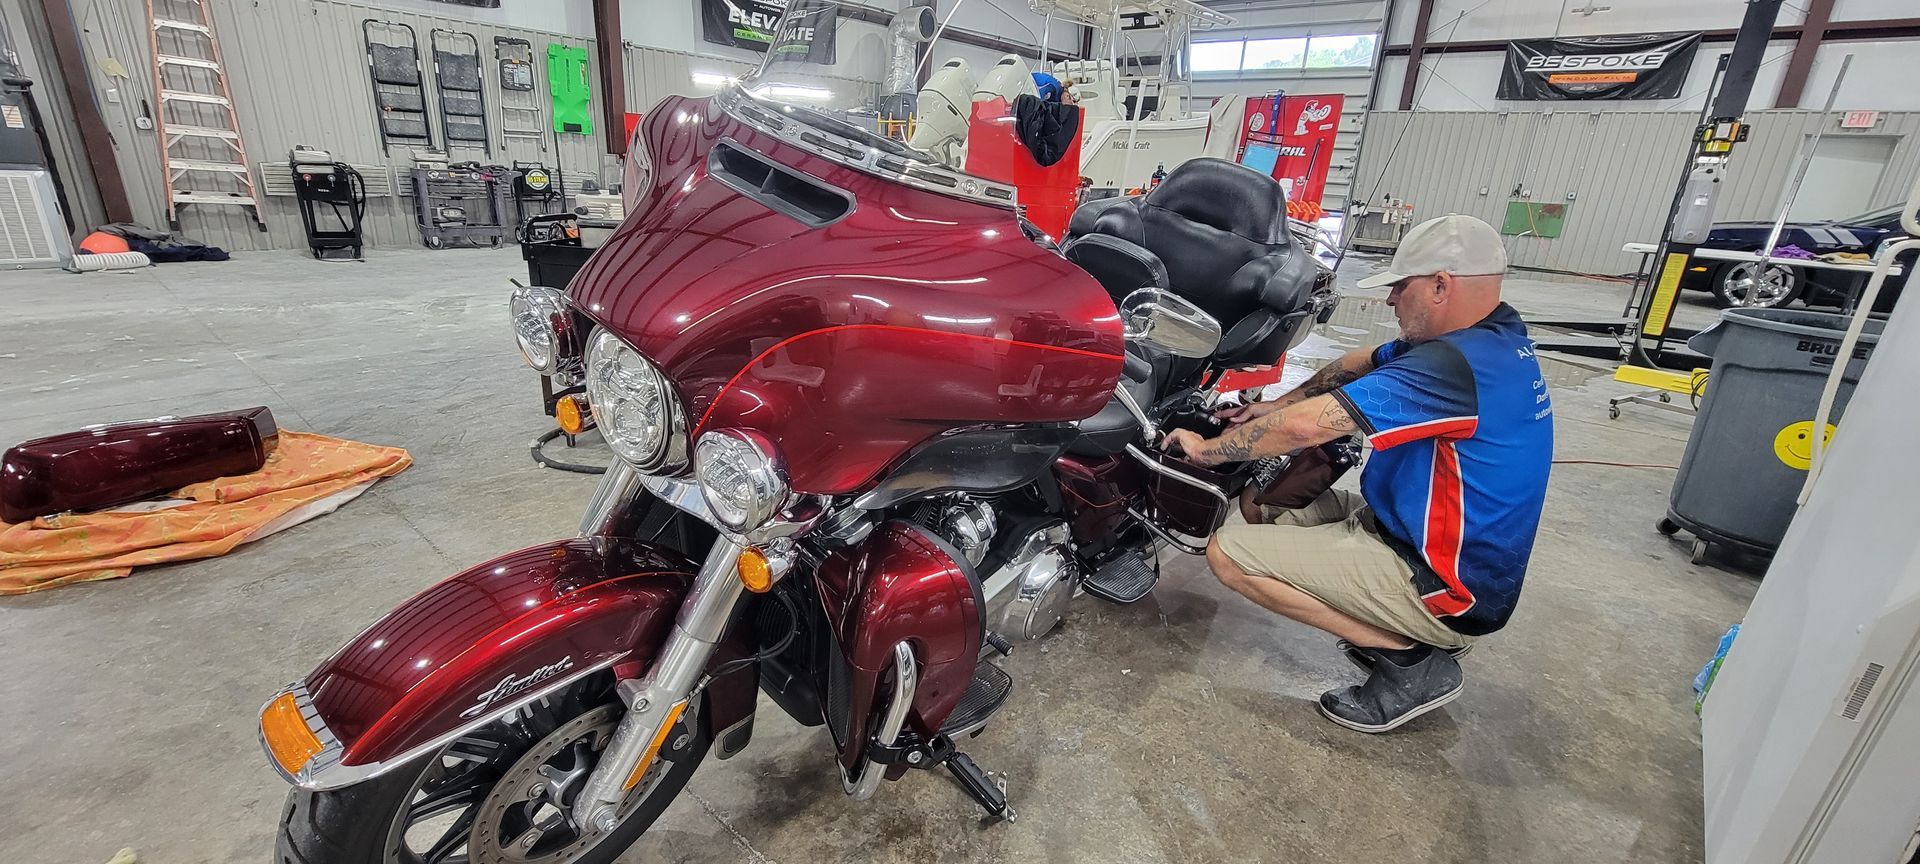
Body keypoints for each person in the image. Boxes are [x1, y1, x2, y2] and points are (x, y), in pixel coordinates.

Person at [1160, 214, 1552, 733]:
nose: (1390, 300)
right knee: (1260, 508)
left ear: (1440, 285)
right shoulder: (1493, 339)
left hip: (1442, 582)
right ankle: (1392, 628)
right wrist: (1272, 404)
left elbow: (1306, 430)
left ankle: (1412, 660)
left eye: (1399, 286)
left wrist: (1208, 450)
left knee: (1229, 555)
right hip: (1408, 531)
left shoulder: (1456, 367)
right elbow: (1361, 359)